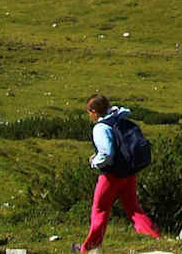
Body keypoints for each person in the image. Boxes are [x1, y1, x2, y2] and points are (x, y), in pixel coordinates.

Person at [75, 94, 161, 252]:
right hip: (129, 172)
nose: (89, 115)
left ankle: (89, 248)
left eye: (89, 111)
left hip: (111, 176)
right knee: (133, 207)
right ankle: (155, 238)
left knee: (100, 210)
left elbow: (107, 153)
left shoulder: (100, 128)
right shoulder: (119, 119)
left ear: (94, 112)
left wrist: (95, 162)